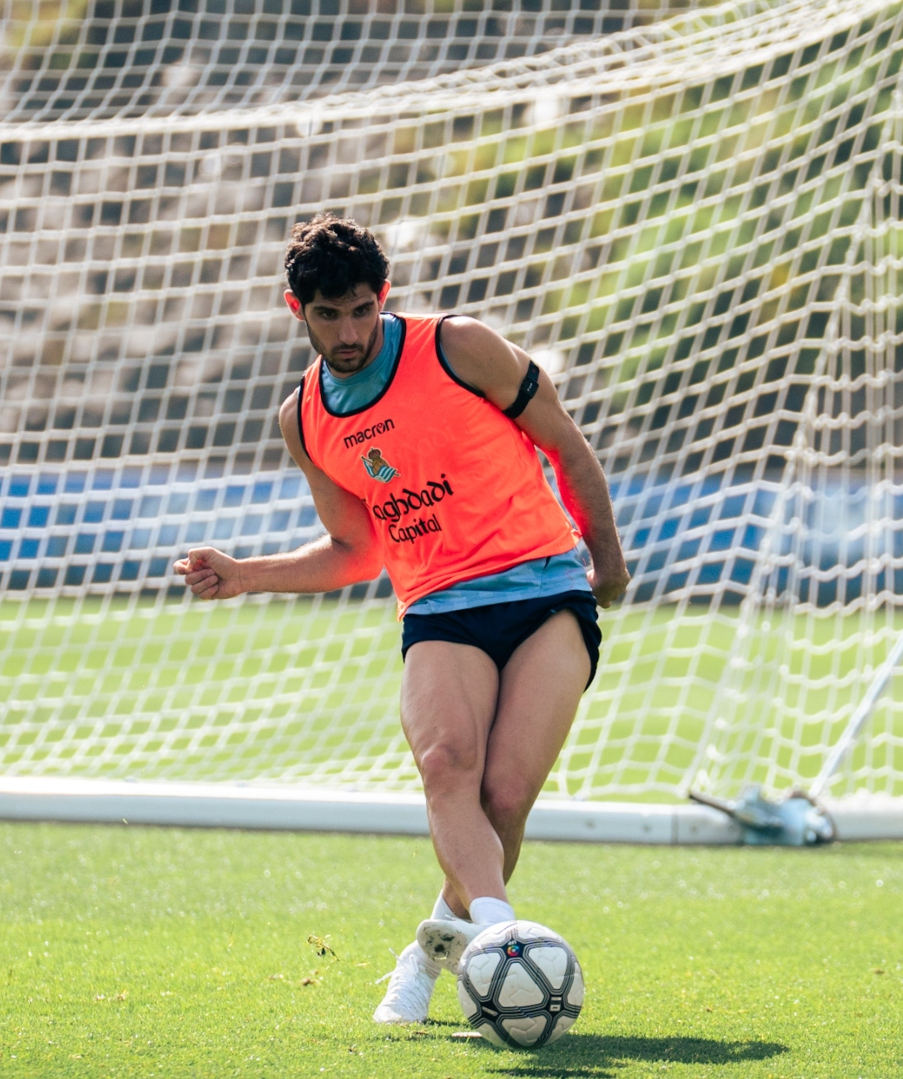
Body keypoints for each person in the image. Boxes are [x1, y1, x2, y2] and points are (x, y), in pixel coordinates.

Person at [175, 215, 629, 1024]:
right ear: (296, 311)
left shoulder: (459, 348)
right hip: (438, 607)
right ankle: (500, 943)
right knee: (445, 762)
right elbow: (356, 551)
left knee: (502, 797)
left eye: (360, 310)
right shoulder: (304, 419)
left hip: (545, 591)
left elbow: (564, 441)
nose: (348, 332)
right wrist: (248, 575)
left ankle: (428, 957)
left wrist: (610, 564)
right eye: (327, 316)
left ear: (383, 297)